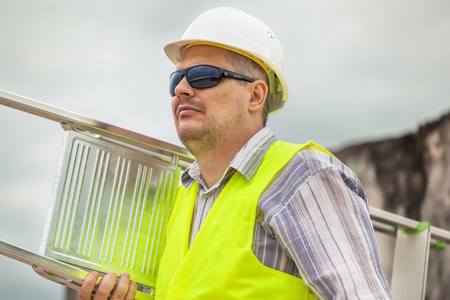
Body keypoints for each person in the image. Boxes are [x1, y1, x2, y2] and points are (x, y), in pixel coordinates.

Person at [79, 7, 392, 299]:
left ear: (255, 95)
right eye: (177, 79)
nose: (181, 89)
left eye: (203, 75)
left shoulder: (303, 176)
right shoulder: (180, 201)